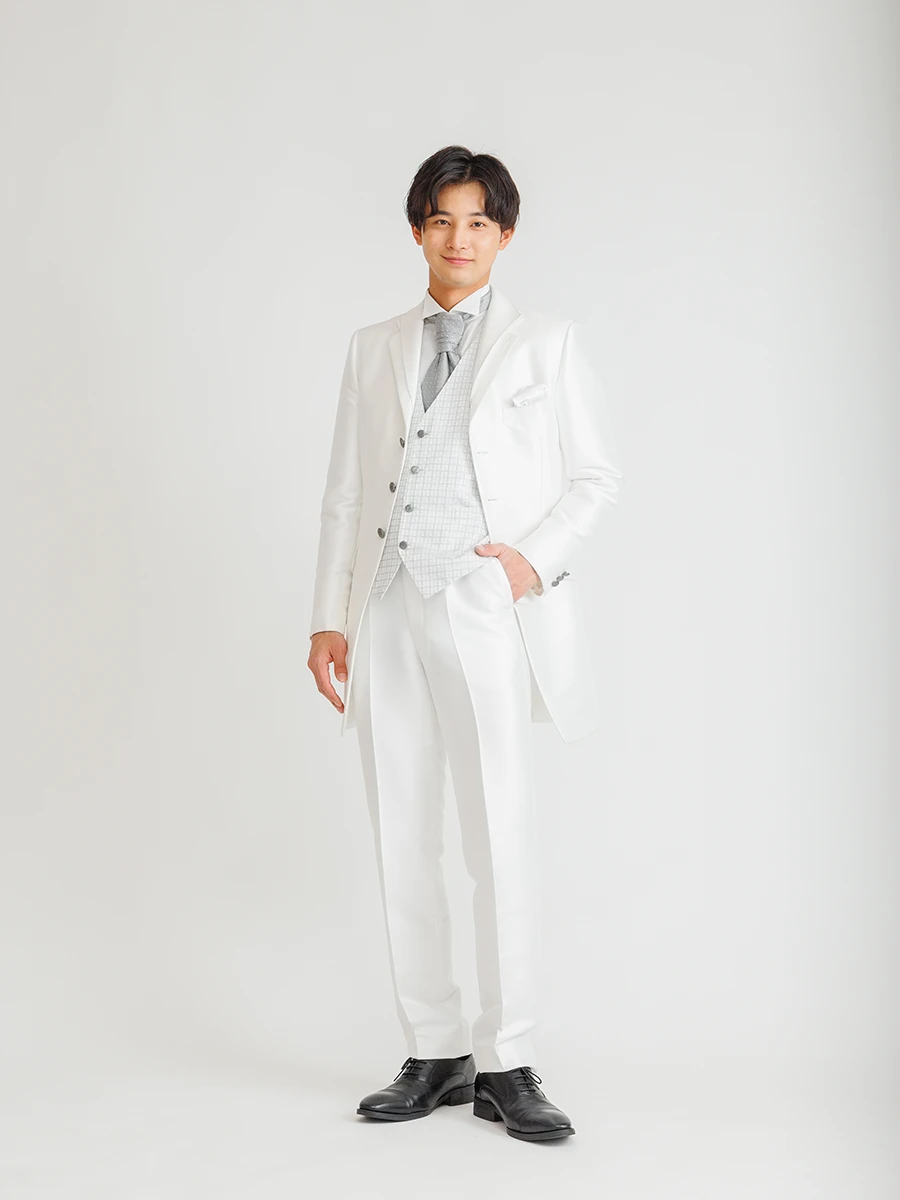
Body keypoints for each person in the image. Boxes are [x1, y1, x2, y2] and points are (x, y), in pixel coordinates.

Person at [307, 144, 623, 1143]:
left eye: (478, 221)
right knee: (402, 834)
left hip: (486, 605)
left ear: (504, 235)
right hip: (387, 604)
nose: (459, 238)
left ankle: (509, 1058)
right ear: (418, 230)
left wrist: (529, 562)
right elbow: (347, 490)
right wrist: (328, 613)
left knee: (497, 833)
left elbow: (596, 478)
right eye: (441, 219)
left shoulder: (546, 344)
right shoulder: (373, 346)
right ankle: (435, 1050)